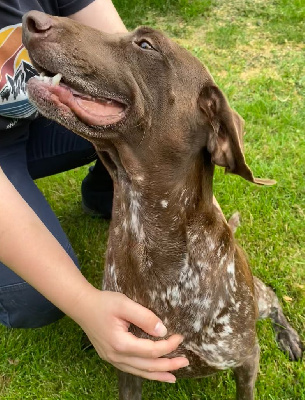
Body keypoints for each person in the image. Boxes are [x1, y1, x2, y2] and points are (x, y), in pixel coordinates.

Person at [0, 0, 189, 383]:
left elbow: (130, 65)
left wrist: (200, 205)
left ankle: (106, 195)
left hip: (29, 126)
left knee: (134, 111)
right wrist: (83, 303)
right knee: (36, 301)